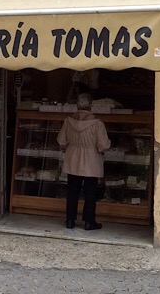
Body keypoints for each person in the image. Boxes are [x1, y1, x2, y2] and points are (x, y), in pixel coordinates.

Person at [57, 93, 111, 230]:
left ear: (77, 105)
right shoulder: (98, 124)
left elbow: (61, 141)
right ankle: (88, 222)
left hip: (73, 159)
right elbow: (104, 145)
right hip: (91, 161)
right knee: (90, 193)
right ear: (91, 106)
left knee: (72, 191)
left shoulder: (68, 122)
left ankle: (70, 220)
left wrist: (68, 147)